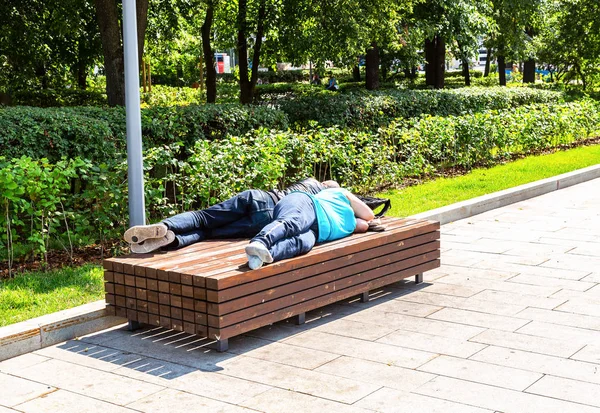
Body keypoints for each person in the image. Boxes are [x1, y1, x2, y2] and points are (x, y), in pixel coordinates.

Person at [124, 178, 340, 253]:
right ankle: (172, 240)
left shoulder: (309, 182)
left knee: (202, 217)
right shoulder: (321, 200)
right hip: (266, 219)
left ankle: (166, 226)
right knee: (207, 233)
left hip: (260, 197)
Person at [245, 187, 374, 269]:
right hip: (309, 205)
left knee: (301, 244)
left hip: (317, 232)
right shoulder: (339, 192)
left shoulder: (348, 220)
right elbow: (369, 215)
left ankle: (261, 257)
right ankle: (260, 242)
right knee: (292, 223)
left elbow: (363, 225)